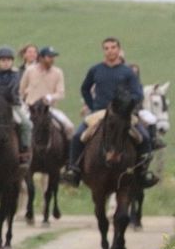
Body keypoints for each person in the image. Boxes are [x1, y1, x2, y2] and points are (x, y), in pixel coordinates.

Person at [63, 36, 150, 185]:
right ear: (103, 51)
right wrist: (92, 105)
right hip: (99, 112)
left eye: (113, 47)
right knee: (77, 136)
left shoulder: (128, 72)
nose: (110, 51)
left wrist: (127, 106)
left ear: (118, 49)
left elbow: (137, 93)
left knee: (145, 137)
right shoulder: (95, 69)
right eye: (107, 48)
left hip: (123, 114)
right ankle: (74, 170)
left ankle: (143, 172)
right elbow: (85, 89)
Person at [19, 45, 71, 130]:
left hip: (49, 109)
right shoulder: (30, 71)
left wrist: (50, 97)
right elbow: (20, 91)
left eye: (53, 57)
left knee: (69, 127)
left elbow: (61, 93)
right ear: (41, 58)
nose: (52, 59)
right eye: (49, 57)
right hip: (30, 109)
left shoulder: (58, 72)